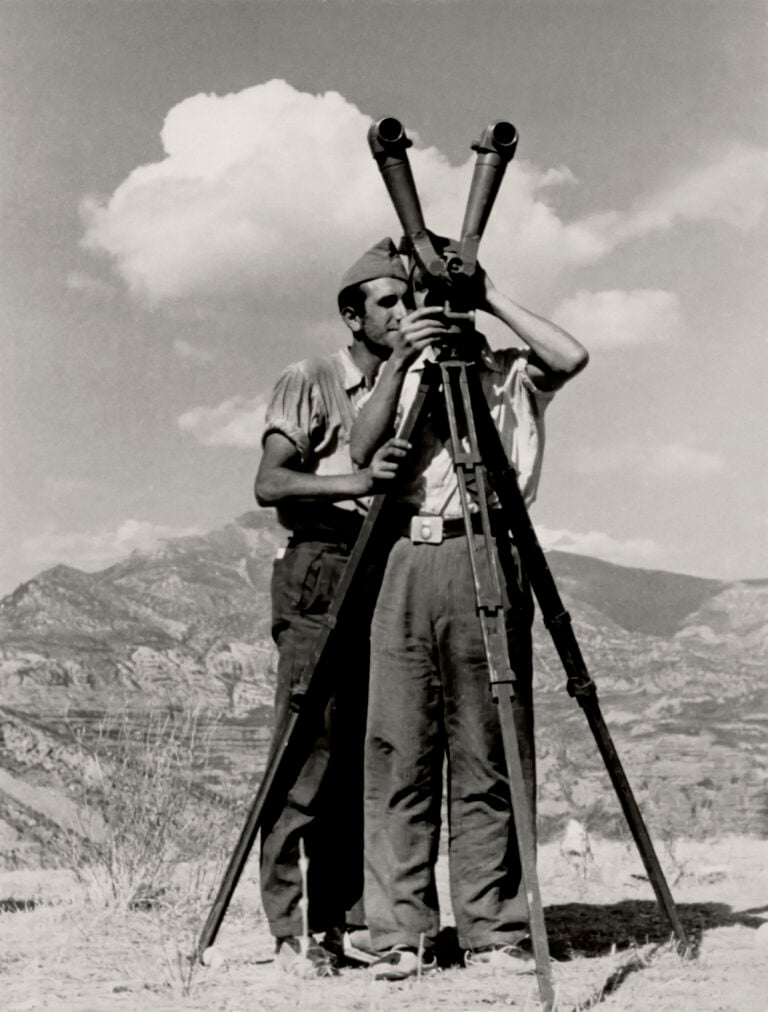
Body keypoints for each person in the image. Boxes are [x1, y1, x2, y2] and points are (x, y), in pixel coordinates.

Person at [349, 245, 589, 981]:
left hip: (486, 549)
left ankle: (494, 930)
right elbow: (362, 449)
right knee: (398, 751)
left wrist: (490, 297)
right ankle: (399, 932)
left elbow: (571, 355)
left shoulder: (512, 374)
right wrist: (402, 363)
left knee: (488, 752)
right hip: (407, 559)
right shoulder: (398, 377)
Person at [253, 237, 444, 977]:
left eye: (408, 301)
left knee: (370, 753)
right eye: (387, 303)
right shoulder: (312, 378)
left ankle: (350, 923)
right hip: (323, 567)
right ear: (352, 314)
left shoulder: (413, 381)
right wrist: (357, 482)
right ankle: (290, 931)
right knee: (307, 755)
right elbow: (270, 484)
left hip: (388, 570)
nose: (402, 315)